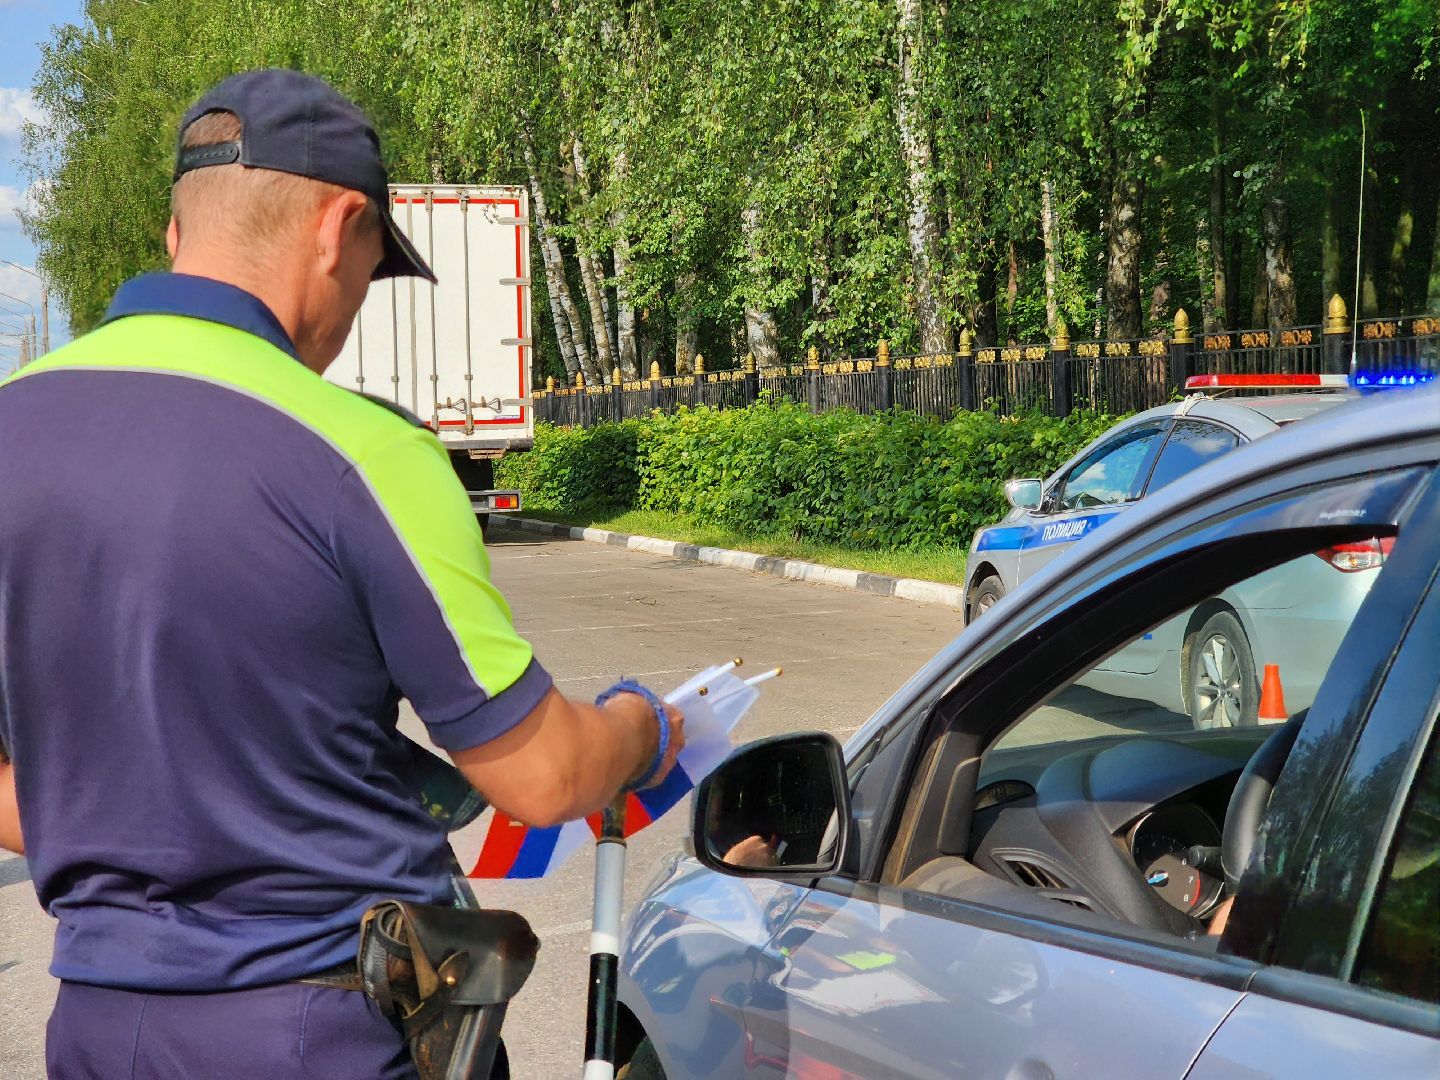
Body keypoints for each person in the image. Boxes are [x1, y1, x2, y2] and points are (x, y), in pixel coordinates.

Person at [0, 69, 683, 1079]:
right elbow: (542, 777)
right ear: (339, 228)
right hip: (317, 1032)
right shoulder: (361, 451)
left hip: (99, 1031)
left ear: (176, 235)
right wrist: (642, 728)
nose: (355, 309)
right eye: (371, 273)